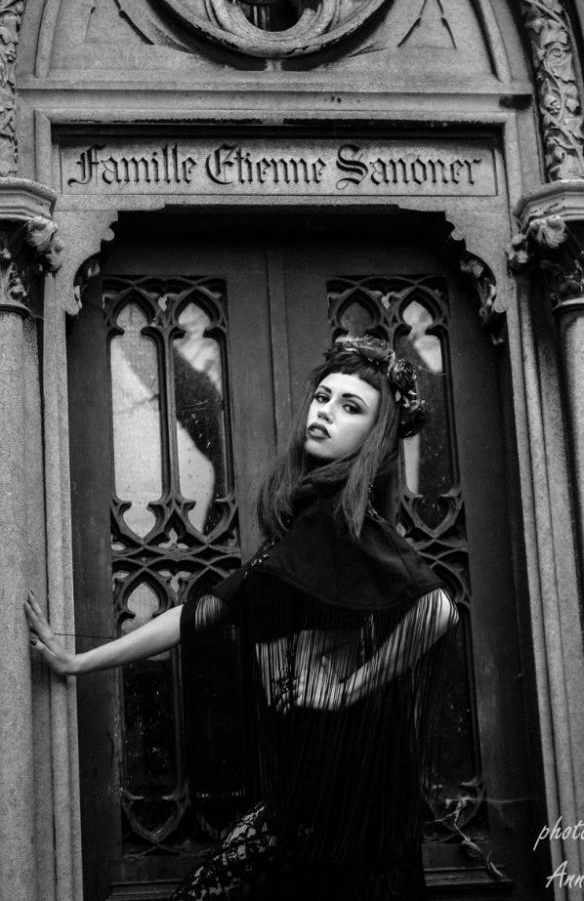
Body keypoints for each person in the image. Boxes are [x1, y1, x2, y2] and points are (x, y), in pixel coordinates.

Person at [25, 335, 458, 901]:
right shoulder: (311, 519)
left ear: (375, 436)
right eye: (323, 397)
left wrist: (349, 689)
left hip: (338, 779)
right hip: (308, 773)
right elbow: (202, 612)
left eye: (351, 407)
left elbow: (437, 608)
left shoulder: (346, 521)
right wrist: (78, 661)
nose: (326, 412)